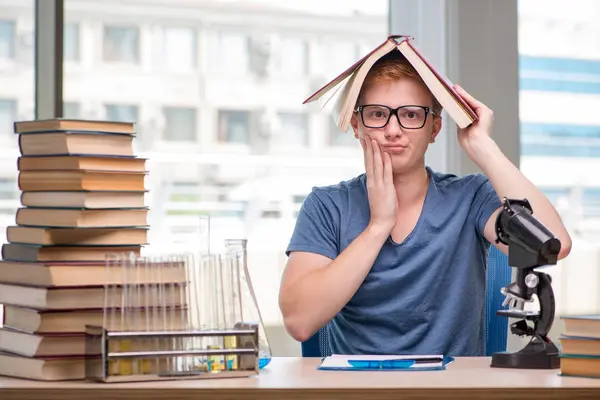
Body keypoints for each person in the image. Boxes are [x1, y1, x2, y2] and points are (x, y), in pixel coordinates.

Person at [277, 52, 572, 357]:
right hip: (359, 388)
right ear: (356, 124)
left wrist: (482, 146)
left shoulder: (470, 197)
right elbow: (300, 322)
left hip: (452, 390)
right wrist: (379, 226)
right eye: (377, 114)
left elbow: (553, 244)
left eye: (411, 114)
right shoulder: (327, 206)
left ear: (434, 129)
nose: (393, 130)